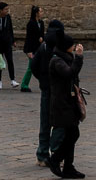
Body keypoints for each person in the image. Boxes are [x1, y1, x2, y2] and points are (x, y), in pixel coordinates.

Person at [47, 31, 85, 179]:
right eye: (72, 45)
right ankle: (55, 159)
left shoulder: (66, 58)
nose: (74, 47)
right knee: (73, 133)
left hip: (69, 102)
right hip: (62, 105)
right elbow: (70, 73)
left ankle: (69, 166)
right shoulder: (57, 61)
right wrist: (79, 57)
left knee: (72, 134)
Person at [31, 19, 66, 167]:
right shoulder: (61, 47)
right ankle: (56, 152)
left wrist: (42, 80)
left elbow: (33, 65)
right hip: (59, 91)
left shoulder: (43, 46)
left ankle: (42, 154)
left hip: (46, 89)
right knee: (60, 122)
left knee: (45, 122)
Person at [20, 4, 44, 92]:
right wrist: (29, 51)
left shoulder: (41, 23)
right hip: (32, 49)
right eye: (41, 11)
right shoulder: (31, 23)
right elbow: (29, 38)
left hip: (39, 48)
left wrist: (42, 38)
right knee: (31, 67)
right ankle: (24, 85)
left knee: (40, 67)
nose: (42, 13)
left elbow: (42, 34)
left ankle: (43, 83)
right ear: (36, 13)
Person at [0, 1, 15, 88]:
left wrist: (13, 40)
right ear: (0, 10)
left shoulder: (8, 17)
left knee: (10, 61)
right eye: (5, 9)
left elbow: (10, 29)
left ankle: (12, 80)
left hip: (7, 43)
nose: (7, 11)